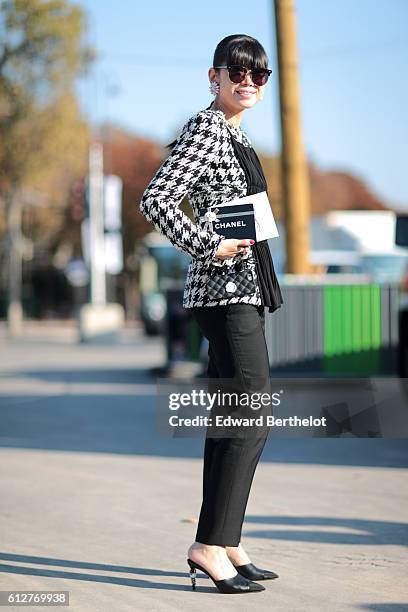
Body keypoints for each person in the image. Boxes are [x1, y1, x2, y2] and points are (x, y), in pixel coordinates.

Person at [139, 34, 283, 594]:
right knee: (251, 413)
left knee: (235, 419)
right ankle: (208, 544)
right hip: (224, 292)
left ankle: (223, 540)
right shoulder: (206, 129)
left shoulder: (233, 133)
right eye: (238, 72)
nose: (248, 82)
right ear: (214, 76)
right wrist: (207, 244)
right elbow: (156, 199)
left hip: (241, 290)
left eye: (259, 75)